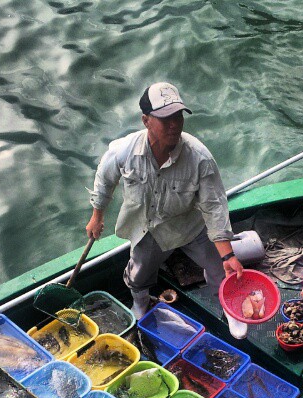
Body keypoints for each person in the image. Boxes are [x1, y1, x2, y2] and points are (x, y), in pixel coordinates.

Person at [86, 82, 248, 338]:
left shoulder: (200, 158)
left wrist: (228, 256)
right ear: (146, 120)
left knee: (219, 267)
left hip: (190, 225)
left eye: (178, 116)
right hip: (149, 226)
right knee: (138, 275)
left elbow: (215, 207)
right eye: (165, 118)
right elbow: (105, 180)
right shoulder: (124, 151)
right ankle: (140, 303)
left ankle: (229, 306)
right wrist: (97, 216)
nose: (174, 124)